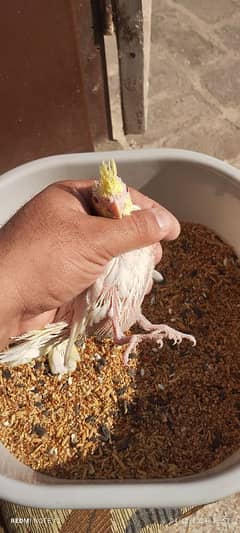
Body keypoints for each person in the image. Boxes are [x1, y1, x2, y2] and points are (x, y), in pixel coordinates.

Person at [0, 179, 180, 349]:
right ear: (94, 203)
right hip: (86, 321)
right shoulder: (98, 247)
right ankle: (123, 335)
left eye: (121, 195)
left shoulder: (135, 221)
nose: (115, 207)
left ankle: (145, 323)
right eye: (100, 201)